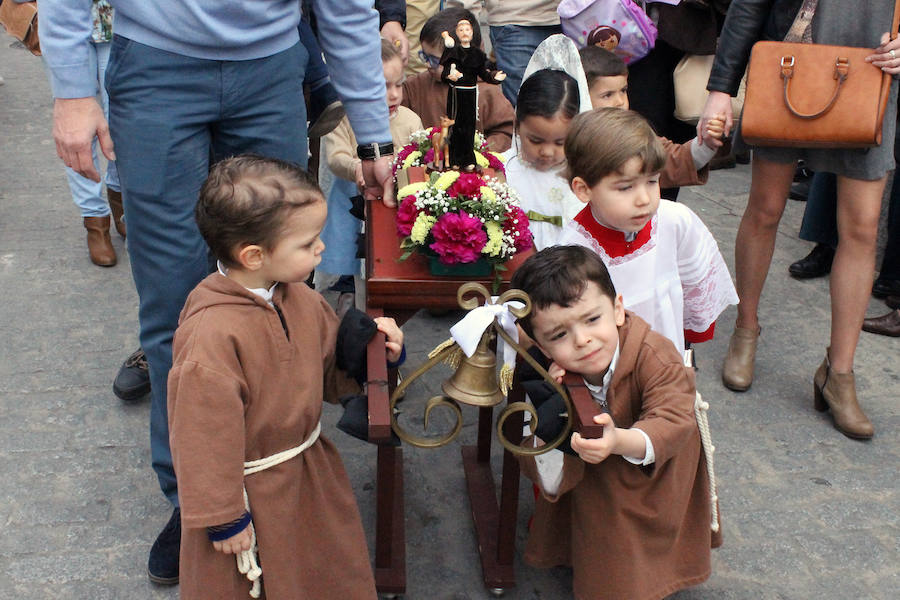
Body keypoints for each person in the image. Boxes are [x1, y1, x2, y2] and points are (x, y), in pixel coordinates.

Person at [40, 0, 397, 584]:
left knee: (283, 284)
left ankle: (285, 477)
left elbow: (347, 8)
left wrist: (375, 136)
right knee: (175, 304)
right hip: (156, 66)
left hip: (271, 67)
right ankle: (194, 499)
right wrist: (73, 89)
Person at [170, 155, 403, 599]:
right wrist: (223, 515)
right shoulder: (210, 338)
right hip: (248, 497)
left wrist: (375, 357)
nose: (320, 249)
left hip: (307, 474)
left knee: (317, 573)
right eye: (307, 243)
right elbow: (199, 436)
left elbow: (329, 372)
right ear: (254, 255)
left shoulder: (298, 297)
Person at [698, 0, 900, 439]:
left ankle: (839, 373)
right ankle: (746, 329)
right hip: (790, 66)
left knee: (862, 229)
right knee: (766, 208)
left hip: (874, 75)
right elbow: (749, 5)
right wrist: (721, 89)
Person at [510, 244, 721, 600]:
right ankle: (585, 556)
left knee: (627, 550)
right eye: (559, 335)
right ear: (544, 348)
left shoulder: (655, 355)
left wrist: (618, 441)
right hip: (597, 466)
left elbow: (672, 420)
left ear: (618, 309)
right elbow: (536, 442)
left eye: (592, 319)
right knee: (590, 516)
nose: (583, 340)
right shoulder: (556, 368)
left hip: (651, 466)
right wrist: (556, 396)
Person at [557, 108, 738, 356]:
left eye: (652, 181)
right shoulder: (572, 251)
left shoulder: (675, 221)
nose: (643, 199)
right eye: (625, 187)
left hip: (670, 360)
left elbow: (695, 284)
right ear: (583, 189)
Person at [319, 40, 423, 312]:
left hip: (395, 204)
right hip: (352, 201)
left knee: (391, 256)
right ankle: (353, 294)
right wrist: (358, 168)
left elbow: (417, 158)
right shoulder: (343, 116)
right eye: (382, 87)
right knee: (356, 256)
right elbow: (335, 156)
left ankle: (390, 306)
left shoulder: (410, 120)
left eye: (398, 85)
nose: (393, 95)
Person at [579, 45, 725, 190]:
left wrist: (706, 143)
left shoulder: (634, 132)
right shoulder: (566, 137)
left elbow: (673, 161)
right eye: (607, 95)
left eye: (623, 91)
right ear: (582, 95)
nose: (620, 101)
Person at [50, 0, 123, 267]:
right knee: (77, 130)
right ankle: (95, 220)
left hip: (119, 22)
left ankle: (120, 199)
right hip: (66, 27)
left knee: (120, 122)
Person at [402, 6, 515, 152]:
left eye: (435, 60)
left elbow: (505, 130)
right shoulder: (415, 86)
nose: (428, 64)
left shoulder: (486, 90)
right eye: (425, 56)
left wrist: (484, 152)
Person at [503, 69, 583, 250]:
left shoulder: (583, 173)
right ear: (517, 125)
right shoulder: (502, 170)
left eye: (560, 142)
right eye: (535, 140)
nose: (547, 152)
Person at [440, 16, 506, 169]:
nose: (464, 33)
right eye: (461, 30)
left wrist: (494, 77)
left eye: (467, 30)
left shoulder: (477, 54)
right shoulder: (452, 51)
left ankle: (468, 159)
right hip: (456, 94)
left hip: (470, 94)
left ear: (472, 33)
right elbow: (444, 74)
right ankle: (454, 160)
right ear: (456, 33)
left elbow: (483, 73)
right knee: (455, 127)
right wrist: (450, 77)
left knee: (469, 128)